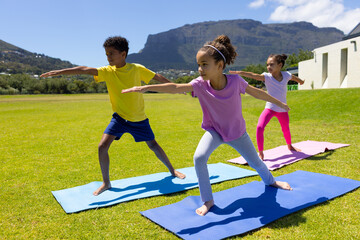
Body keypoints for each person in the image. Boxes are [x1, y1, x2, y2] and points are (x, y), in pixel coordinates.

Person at [122, 35, 292, 216]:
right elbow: (175, 87)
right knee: (199, 158)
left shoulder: (236, 82)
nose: (200, 69)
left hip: (237, 133)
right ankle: (208, 201)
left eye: (204, 64)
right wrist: (145, 88)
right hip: (214, 131)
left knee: (255, 162)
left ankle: (271, 181)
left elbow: (257, 93)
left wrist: (280, 103)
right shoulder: (199, 84)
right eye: (198, 64)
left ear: (219, 66)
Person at [40, 36, 185, 196]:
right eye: (106, 54)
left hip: (139, 119)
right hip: (119, 118)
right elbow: (84, 70)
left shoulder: (136, 68)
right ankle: (106, 183)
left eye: (111, 53)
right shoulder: (107, 72)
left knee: (153, 145)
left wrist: (177, 88)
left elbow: (157, 78)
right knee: (102, 146)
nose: (108, 57)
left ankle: (172, 170)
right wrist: (59, 72)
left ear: (123, 54)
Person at [230, 54, 305, 160]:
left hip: (283, 109)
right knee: (260, 127)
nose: (268, 67)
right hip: (270, 108)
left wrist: (301, 81)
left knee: (285, 129)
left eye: (271, 64)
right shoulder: (267, 76)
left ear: (279, 65)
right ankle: (261, 153)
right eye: (267, 65)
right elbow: (253, 75)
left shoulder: (286, 75)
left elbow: (294, 77)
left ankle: (290, 145)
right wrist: (240, 73)